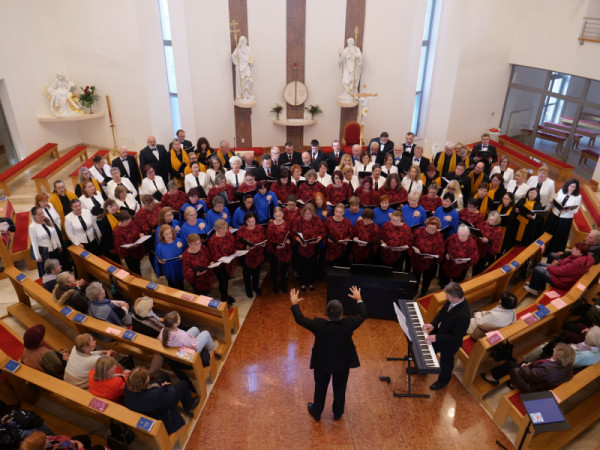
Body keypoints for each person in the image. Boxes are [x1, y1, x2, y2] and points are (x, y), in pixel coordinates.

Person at [290, 285, 367, 421]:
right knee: (340, 387)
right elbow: (363, 314)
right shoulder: (348, 323)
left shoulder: (319, 325)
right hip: (342, 363)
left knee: (320, 388)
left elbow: (300, 319)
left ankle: (316, 411)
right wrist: (359, 299)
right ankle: (338, 412)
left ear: (326, 314)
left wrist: (294, 303)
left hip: (322, 363)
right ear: (341, 313)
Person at [124, 366, 200, 435]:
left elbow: (151, 390)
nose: (148, 375)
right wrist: (167, 386)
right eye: (147, 376)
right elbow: (171, 396)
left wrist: (160, 387)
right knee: (183, 384)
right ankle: (189, 406)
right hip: (162, 412)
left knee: (164, 376)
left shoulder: (128, 388)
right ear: (143, 383)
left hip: (143, 406)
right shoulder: (155, 395)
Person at [423, 282, 470, 390]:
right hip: (440, 333)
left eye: (447, 296)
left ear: (456, 297)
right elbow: (442, 313)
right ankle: (423, 369)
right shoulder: (452, 301)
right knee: (429, 351)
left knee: (446, 363)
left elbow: (456, 337)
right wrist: (433, 324)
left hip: (450, 343)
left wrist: (436, 338)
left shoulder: (463, 316)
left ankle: (443, 381)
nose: (445, 297)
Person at [481, 343, 575, 392]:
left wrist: (524, 367)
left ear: (559, 357)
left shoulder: (549, 370)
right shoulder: (568, 367)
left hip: (531, 387)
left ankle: (493, 378)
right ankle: (513, 383)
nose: (554, 349)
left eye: (556, 350)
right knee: (520, 364)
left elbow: (529, 376)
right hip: (541, 382)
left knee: (510, 365)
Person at [524, 242, 593, 296]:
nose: (573, 249)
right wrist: (559, 262)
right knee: (540, 264)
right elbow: (566, 262)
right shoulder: (579, 256)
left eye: (576, 249)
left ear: (581, 253)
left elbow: (560, 272)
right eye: (574, 247)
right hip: (562, 274)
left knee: (538, 269)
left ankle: (534, 289)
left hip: (562, 281)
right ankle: (539, 286)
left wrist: (549, 267)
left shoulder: (577, 263)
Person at [292, 204, 325, 291]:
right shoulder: (298, 219)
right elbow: (293, 234)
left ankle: (311, 282)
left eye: (310, 214)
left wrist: (319, 238)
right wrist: (299, 241)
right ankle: (302, 282)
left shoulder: (317, 219)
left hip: (313, 246)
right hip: (302, 246)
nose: (308, 215)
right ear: (303, 212)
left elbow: (323, 232)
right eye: (307, 213)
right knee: (302, 265)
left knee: (312, 264)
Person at [544, 179, 582, 255]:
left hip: (565, 219)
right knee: (549, 233)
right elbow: (556, 202)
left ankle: (554, 253)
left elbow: (576, 210)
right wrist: (552, 204)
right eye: (570, 186)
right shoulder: (561, 191)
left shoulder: (578, 197)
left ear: (576, 188)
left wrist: (569, 210)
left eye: (574, 187)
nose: (571, 188)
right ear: (567, 185)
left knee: (559, 236)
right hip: (555, 215)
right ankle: (545, 250)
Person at [411, 217, 445, 297]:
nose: (431, 230)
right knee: (416, 278)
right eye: (429, 228)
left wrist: (433, 257)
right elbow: (411, 242)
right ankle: (414, 290)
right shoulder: (418, 231)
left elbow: (441, 250)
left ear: (437, 229)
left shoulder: (439, 236)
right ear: (426, 225)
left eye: (434, 229)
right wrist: (414, 249)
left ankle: (423, 293)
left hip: (430, 262)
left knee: (427, 279)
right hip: (418, 259)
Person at [236, 212, 267, 297]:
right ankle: (248, 289)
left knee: (256, 273)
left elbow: (264, 238)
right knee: (246, 274)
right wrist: (245, 247)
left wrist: (264, 244)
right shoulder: (241, 230)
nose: (251, 224)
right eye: (249, 221)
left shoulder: (260, 228)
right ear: (245, 221)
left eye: (253, 221)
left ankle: (256, 287)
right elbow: (237, 242)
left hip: (258, 255)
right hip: (246, 256)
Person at [208, 219, 237, 305]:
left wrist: (234, 251)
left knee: (226, 280)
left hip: (229, 261)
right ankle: (224, 298)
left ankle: (226, 295)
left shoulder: (228, 234)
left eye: (226, 228)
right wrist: (224, 258)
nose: (226, 230)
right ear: (217, 229)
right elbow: (214, 255)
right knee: (223, 281)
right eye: (223, 228)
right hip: (220, 265)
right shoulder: (213, 240)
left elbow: (232, 244)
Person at [29, 206, 62, 278]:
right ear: (34, 216)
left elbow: (55, 234)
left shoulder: (47, 220)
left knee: (57, 268)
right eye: (39, 214)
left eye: (42, 213)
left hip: (54, 249)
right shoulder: (32, 227)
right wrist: (38, 256)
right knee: (49, 272)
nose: (42, 215)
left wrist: (59, 245)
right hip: (45, 253)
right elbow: (34, 243)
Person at [267, 206, 292, 294]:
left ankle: (283, 283)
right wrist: (276, 246)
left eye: (280, 215)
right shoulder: (271, 226)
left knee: (284, 267)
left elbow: (289, 235)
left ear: (283, 214)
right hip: (275, 249)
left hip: (284, 248)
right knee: (274, 268)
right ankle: (275, 284)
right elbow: (269, 240)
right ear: (273, 215)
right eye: (276, 216)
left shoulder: (286, 224)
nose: (278, 218)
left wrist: (288, 240)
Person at [112, 210, 145, 275]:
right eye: (127, 220)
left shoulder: (131, 222)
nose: (129, 221)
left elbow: (137, 229)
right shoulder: (117, 230)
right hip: (129, 254)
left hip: (137, 249)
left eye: (129, 219)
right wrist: (131, 245)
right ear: (121, 221)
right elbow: (121, 245)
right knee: (134, 270)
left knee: (138, 266)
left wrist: (140, 234)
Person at [472, 210, 503, 274]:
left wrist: (487, 241)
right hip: (477, 249)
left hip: (486, 252)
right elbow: (477, 232)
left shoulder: (498, 230)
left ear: (496, 220)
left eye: (492, 220)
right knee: (474, 267)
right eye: (489, 219)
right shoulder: (484, 223)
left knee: (479, 269)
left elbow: (496, 245)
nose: (490, 221)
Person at [156, 225, 185, 290]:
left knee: (181, 284)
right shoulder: (160, 246)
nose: (169, 236)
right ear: (162, 235)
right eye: (166, 234)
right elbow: (158, 258)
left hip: (179, 266)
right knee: (172, 286)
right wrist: (159, 261)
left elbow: (185, 252)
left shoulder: (178, 241)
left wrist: (182, 255)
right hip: (169, 268)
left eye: (170, 233)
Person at [338, 37, 362, 102]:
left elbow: (360, 58)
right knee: (344, 81)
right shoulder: (346, 49)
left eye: (350, 43)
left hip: (354, 69)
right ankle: (345, 95)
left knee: (352, 81)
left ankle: (352, 95)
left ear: (353, 42)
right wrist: (340, 55)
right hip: (347, 68)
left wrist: (355, 55)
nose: (349, 44)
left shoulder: (356, 49)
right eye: (348, 43)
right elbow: (342, 60)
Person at [231, 35, 254, 101]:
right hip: (240, 67)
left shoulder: (248, 48)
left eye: (245, 41)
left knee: (250, 81)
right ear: (240, 42)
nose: (245, 42)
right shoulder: (238, 49)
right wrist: (237, 63)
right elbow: (233, 56)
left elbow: (251, 56)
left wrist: (251, 61)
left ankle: (248, 94)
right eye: (243, 41)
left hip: (246, 66)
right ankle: (241, 96)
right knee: (241, 82)